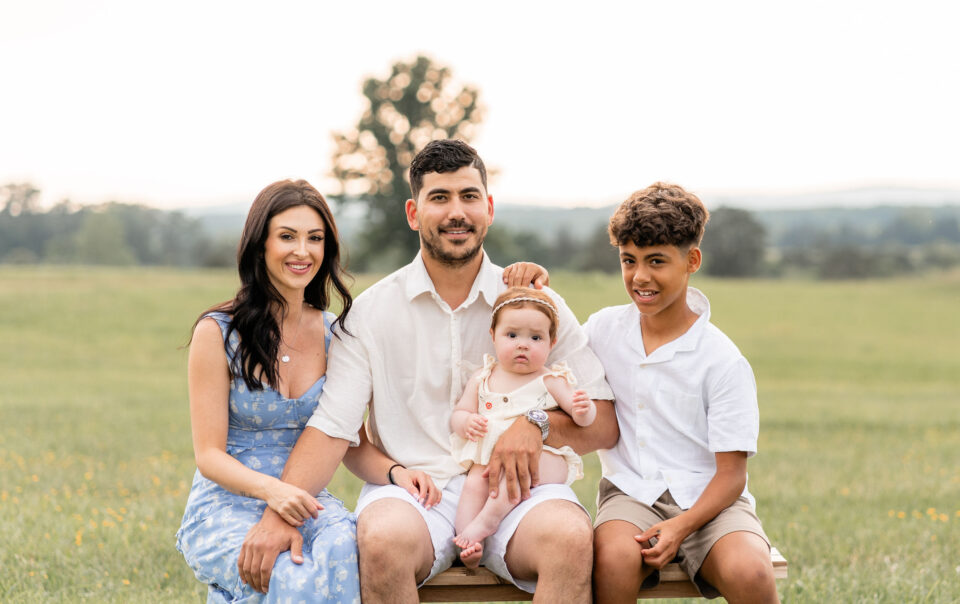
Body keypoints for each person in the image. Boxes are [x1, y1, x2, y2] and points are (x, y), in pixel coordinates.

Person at [237, 139, 618, 603]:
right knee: (380, 540)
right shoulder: (370, 315)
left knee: (569, 538)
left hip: (518, 489)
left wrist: (537, 425)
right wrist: (280, 513)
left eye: (469, 196)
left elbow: (603, 420)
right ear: (414, 214)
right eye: (440, 198)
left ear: (489, 208)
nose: (456, 211)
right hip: (414, 494)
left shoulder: (534, 301)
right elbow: (334, 427)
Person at [176, 179, 438, 603]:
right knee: (292, 577)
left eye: (315, 238)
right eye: (287, 237)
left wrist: (397, 474)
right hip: (228, 504)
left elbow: (348, 443)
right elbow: (209, 456)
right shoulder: (217, 333)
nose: (303, 251)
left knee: (345, 554)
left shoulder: (337, 336)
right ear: (259, 245)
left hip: (308, 502)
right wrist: (274, 492)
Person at [586, 183, 779, 603]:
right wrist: (533, 278)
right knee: (613, 560)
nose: (640, 277)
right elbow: (546, 337)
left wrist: (680, 526)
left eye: (657, 261)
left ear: (692, 260)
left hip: (711, 501)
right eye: (629, 260)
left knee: (751, 571)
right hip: (630, 493)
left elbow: (732, 476)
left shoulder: (723, 360)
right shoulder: (602, 330)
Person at [450, 286, 597, 568]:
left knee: (513, 476)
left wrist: (583, 409)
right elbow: (460, 412)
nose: (523, 344)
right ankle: (467, 543)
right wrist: (466, 422)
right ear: (493, 336)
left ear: (551, 343)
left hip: (541, 460)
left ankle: (487, 521)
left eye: (536, 337)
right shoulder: (483, 377)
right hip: (489, 457)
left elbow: (583, 420)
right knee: (473, 484)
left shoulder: (550, 380)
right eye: (512, 335)